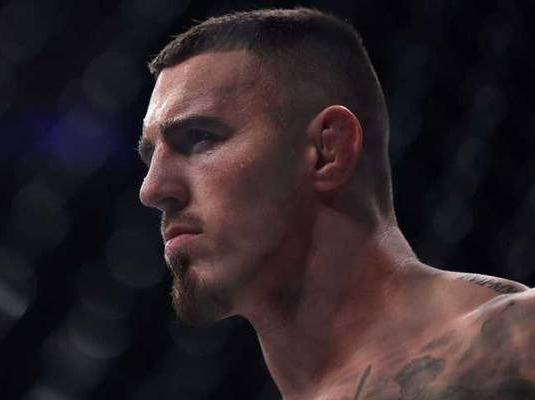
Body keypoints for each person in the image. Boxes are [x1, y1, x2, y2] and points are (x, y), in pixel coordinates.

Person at [137, 7, 535, 400]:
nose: (152, 190)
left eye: (200, 137)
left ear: (328, 150)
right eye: (150, 157)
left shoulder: (519, 343)